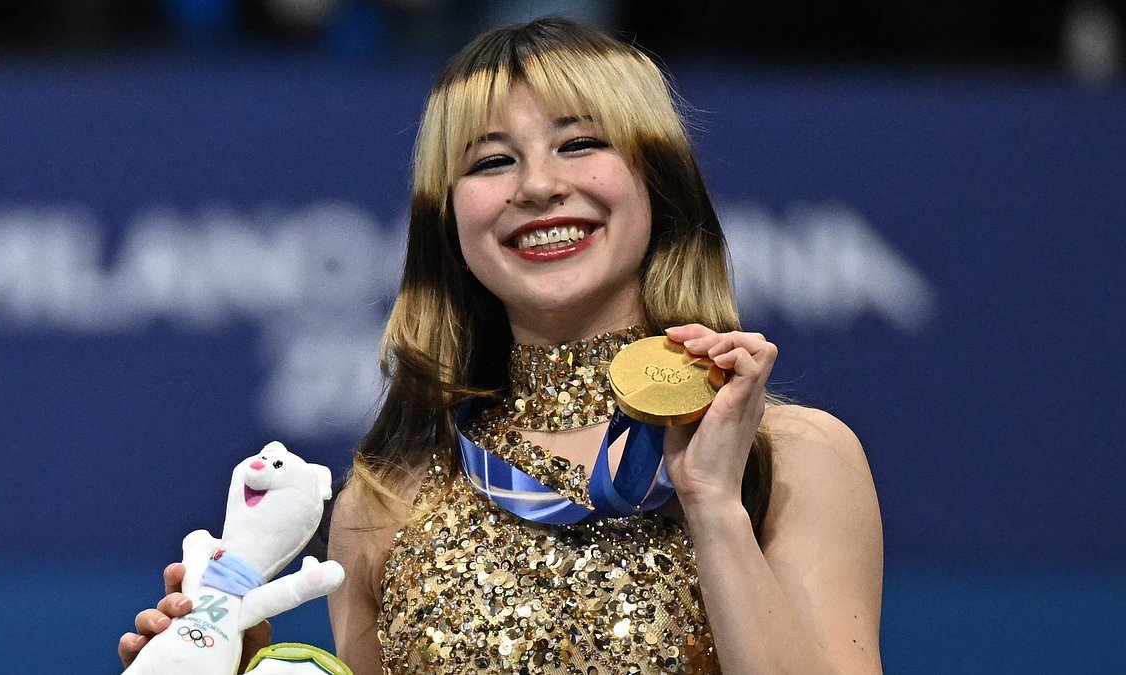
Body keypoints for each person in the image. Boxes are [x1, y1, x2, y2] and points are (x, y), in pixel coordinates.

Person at [120, 16, 883, 674]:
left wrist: (714, 506)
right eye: (491, 160)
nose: (538, 186)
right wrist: (233, 658)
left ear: (659, 179)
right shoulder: (387, 502)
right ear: (446, 218)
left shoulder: (790, 460)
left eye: (580, 143)